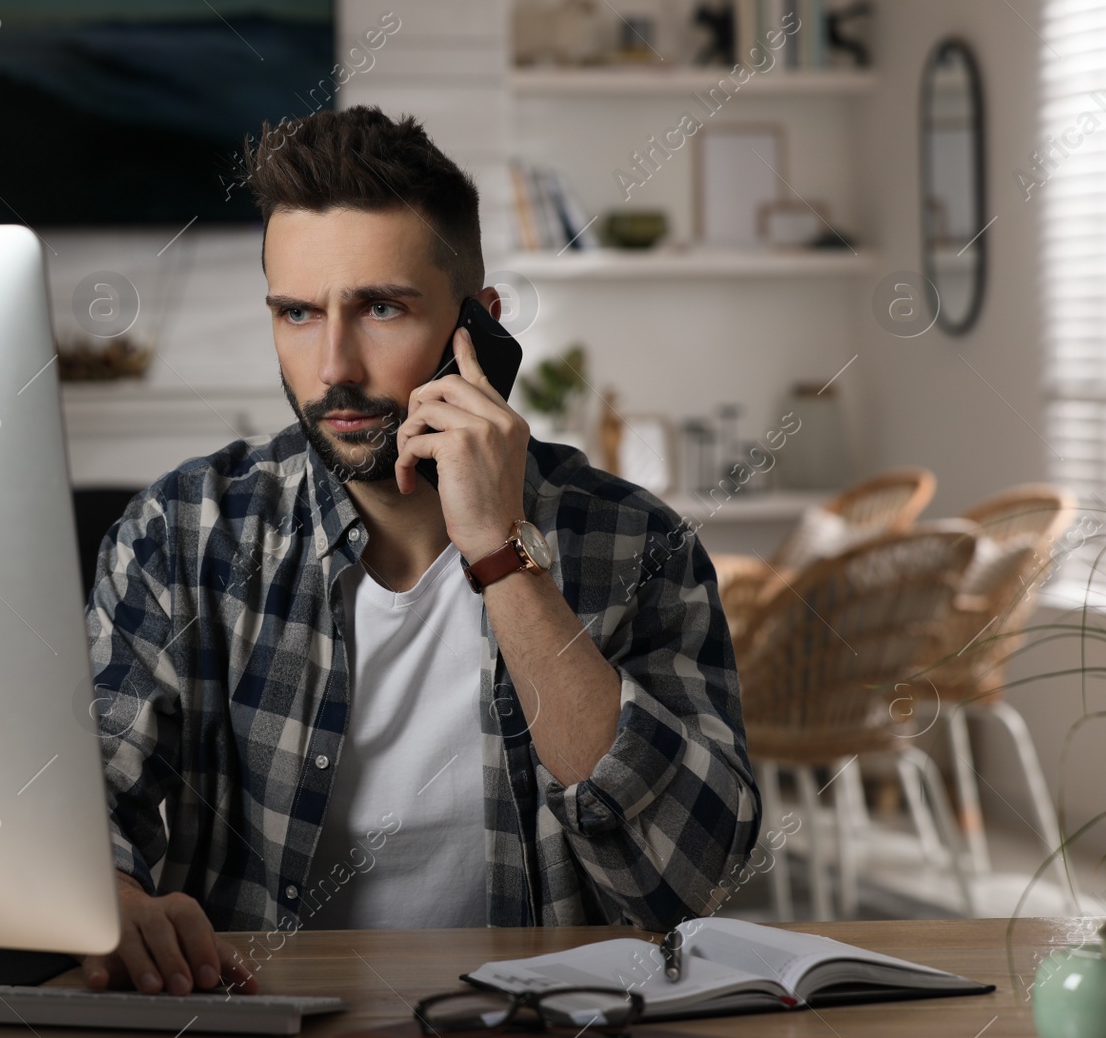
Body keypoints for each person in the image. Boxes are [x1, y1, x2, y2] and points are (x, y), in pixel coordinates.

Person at [81, 105, 760, 996]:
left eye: (382, 308)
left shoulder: (637, 545)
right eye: (296, 312)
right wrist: (114, 892)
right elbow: (88, 797)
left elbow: (691, 881)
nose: (333, 366)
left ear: (476, 327)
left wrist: (500, 555)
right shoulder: (183, 534)